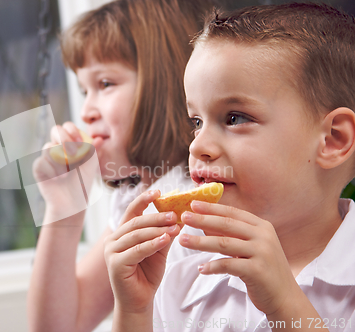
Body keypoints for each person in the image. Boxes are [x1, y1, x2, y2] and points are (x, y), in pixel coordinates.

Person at [104, 3, 355, 331]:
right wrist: (134, 311)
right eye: (196, 121)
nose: (197, 146)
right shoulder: (182, 274)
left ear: (333, 140)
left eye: (234, 118)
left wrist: (285, 304)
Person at [27, 1, 214, 331]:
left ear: (166, 85)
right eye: (85, 89)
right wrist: (64, 207)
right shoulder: (134, 199)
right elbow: (60, 326)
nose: (86, 111)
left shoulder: (202, 205)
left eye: (105, 84)